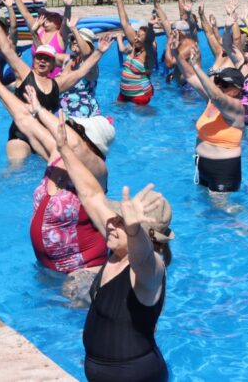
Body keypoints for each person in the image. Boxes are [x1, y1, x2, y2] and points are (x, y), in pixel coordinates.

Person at [51, 119, 172, 382]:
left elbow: (143, 257)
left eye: (121, 222)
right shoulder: (118, 245)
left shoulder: (150, 269)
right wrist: (64, 149)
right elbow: (91, 196)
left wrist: (133, 230)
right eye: (116, 219)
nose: (111, 224)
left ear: (146, 234)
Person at [0, 63, 115, 304]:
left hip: (84, 270)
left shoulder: (97, 170)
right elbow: (23, 120)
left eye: (75, 129)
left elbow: (74, 144)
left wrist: (40, 110)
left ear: (92, 145)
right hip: (47, 268)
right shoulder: (58, 155)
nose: (66, 130)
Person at [0, 1, 109, 162]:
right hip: (21, 134)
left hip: (47, 135)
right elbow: (7, 50)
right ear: (34, 59)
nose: (42, 61)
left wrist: (99, 52)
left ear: (52, 64)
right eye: (39, 57)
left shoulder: (57, 84)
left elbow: (81, 72)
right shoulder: (24, 74)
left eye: (47, 59)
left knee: (60, 164)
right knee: (16, 165)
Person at [179, 47, 246, 193]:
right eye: (217, 82)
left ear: (237, 89)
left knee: (223, 208)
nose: (219, 86)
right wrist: (177, 54)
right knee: (202, 204)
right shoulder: (212, 101)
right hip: (201, 165)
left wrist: (197, 67)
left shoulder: (237, 108)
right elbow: (189, 76)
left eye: (225, 85)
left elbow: (216, 95)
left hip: (223, 171)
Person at [113, 0, 155, 105]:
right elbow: (125, 23)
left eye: (139, 36)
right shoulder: (135, 44)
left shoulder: (149, 52)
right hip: (124, 93)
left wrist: (150, 27)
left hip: (140, 95)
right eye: (136, 34)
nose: (135, 37)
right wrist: (119, 0)